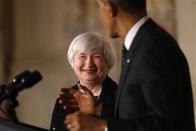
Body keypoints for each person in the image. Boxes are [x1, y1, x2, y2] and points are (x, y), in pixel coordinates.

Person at [64, 0, 196, 131]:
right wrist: (98, 110)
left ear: (110, 8)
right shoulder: (141, 43)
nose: (100, 16)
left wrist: (101, 126)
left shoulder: (153, 47)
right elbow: (141, 111)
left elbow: (169, 125)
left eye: (100, 7)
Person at [50, 32, 118, 131]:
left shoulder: (120, 97)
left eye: (96, 56)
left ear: (107, 61)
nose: (89, 64)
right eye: (82, 56)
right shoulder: (66, 98)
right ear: (72, 61)